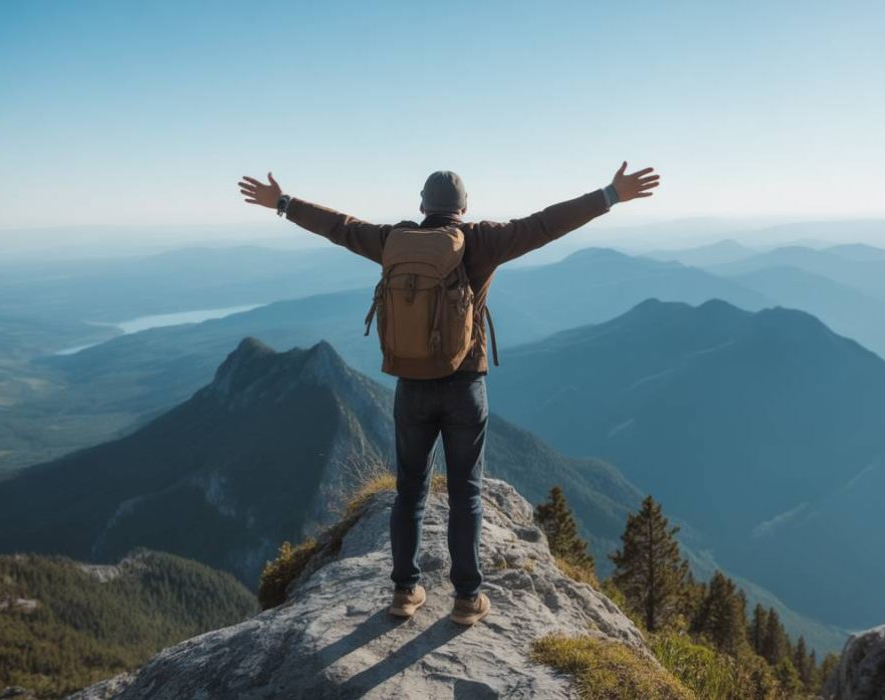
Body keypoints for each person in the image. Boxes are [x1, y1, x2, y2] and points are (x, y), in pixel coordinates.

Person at [238, 163, 659, 625]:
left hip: (411, 387)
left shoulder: (394, 241)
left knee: (409, 492)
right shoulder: (482, 241)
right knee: (466, 494)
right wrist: (609, 195)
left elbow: (341, 227)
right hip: (465, 387)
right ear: (464, 207)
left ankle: (403, 592)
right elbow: (545, 224)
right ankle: (466, 598)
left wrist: (283, 203)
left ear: (422, 206)